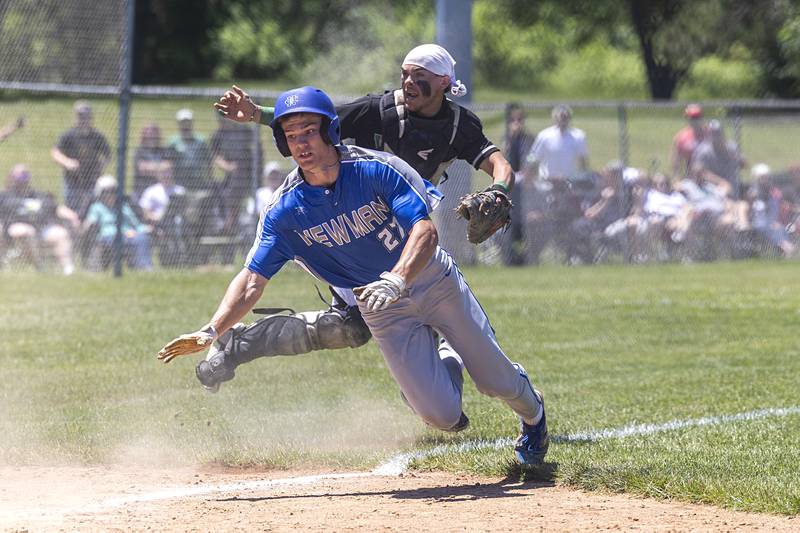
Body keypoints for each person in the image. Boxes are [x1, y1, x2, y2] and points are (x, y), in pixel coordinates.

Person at [158, 87, 549, 465]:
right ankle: (446, 353)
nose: (301, 143)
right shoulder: (285, 209)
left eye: (309, 131)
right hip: (379, 306)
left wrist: (396, 278)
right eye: (291, 136)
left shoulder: (376, 169)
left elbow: (425, 232)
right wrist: (212, 329)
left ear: (330, 130)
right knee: (441, 417)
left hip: (431, 282)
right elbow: (252, 279)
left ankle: (534, 419)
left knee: (496, 382)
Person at [205, 44, 515, 391]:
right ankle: (237, 346)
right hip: (355, 225)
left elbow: (498, 164)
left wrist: (500, 188)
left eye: (420, 76)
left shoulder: (459, 124)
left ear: (444, 82)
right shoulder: (379, 110)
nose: (408, 82)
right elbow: (315, 121)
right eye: (405, 74)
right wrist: (255, 113)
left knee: (424, 304)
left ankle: (443, 369)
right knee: (349, 327)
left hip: (404, 230)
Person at [0, 164, 78, 274]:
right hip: (14, 232)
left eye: (24, 175)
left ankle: (68, 270)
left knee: (61, 234)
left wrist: (72, 216)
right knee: (23, 231)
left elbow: (57, 208)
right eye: (18, 176)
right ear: (11, 178)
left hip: (40, 230)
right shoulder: (4, 196)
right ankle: (40, 267)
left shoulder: (40, 195)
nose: (22, 179)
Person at [51, 101, 111, 215]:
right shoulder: (68, 135)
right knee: (72, 210)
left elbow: (108, 155)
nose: (83, 119)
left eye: (86, 116)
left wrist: (101, 164)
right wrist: (67, 162)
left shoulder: (97, 136)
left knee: (93, 208)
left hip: (92, 180)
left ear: (91, 118)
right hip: (72, 181)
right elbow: (55, 152)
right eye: (80, 116)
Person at [82, 175, 152, 271]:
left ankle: (144, 268)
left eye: (114, 191)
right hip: (108, 237)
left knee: (141, 238)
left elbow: (136, 224)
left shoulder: (123, 206)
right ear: (100, 193)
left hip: (128, 234)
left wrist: (145, 229)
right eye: (107, 192)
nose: (111, 194)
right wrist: (88, 225)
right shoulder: (97, 207)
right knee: (118, 239)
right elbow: (90, 222)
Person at [498, 103, 536, 265]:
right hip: (511, 183)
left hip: (526, 183)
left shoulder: (529, 139)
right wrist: (512, 138)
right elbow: (503, 161)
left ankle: (529, 258)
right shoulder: (506, 138)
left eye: (520, 119)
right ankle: (511, 259)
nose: (517, 123)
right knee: (500, 230)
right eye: (514, 120)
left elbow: (533, 163)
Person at [525, 104, 589, 183]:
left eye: (565, 117)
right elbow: (534, 158)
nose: (563, 119)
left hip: (569, 182)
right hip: (547, 182)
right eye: (560, 116)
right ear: (555, 118)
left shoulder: (579, 136)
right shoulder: (544, 135)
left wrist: (583, 179)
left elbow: (583, 162)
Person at [693, 119, 746, 198]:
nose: (716, 135)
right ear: (709, 134)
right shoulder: (703, 151)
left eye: (718, 133)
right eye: (713, 133)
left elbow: (744, 165)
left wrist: (736, 156)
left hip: (733, 190)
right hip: (712, 191)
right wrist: (721, 182)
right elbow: (698, 172)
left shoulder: (731, 147)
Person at [168, 108, 213, 191]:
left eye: (187, 122)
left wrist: (209, 180)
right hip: (179, 182)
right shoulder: (172, 143)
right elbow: (168, 163)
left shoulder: (201, 141)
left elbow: (208, 163)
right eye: (182, 123)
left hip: (199, 181)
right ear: (178, 124)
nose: (185, 125)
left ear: (192, 123)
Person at [132, 122, 169, 199]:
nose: (151, 138)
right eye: (149, 136)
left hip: (160, 191)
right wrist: (161, 169)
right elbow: (143, 169)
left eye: (154, 136)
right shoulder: (139, 151)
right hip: (142, 190)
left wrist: (150, 167)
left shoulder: (163, 151)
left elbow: (168, 167)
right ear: (144, 137)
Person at [670, 103, 706, 178]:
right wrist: (676, 178)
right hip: (691, 175)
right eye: (692, 118)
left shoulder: (710, 134)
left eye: (697, 117)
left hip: (712, 175)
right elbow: (676, 160)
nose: (695, 120)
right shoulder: (681, 137)